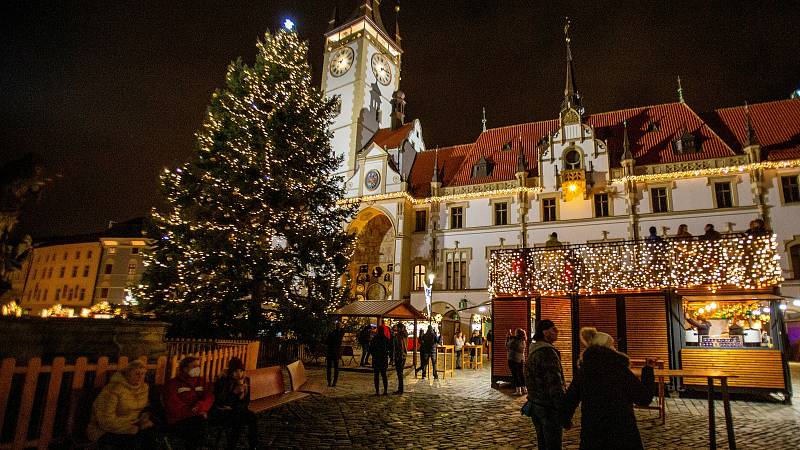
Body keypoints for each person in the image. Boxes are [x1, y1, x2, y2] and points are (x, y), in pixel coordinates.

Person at [562, 327, 656, 450]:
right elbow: (643, 398)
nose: (614, 349)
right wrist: (648, 370)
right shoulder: (619, 369)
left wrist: (565, 420)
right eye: (612, 345)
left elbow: (570, 399)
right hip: (623, 433)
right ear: (606, 348)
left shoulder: (585, 371)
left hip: (593, 434)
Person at [87, 360, 161, 449]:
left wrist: (144, 420)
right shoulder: (113, 389)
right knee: (134, 442)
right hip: (104, 430)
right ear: (128, 375)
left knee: (153, 436)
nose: (140, 377)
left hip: (133, 426)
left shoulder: (143, 389)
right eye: (137, 374)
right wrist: (128, 428)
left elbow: (143, 409)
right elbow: (105, 420)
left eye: (143, 374)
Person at [524, 320, 565, 450]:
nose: (557, 332)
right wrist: (562, 407)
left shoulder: (534, 350)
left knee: (543, 443)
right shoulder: (547, 352)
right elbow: (554, 382)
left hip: (536, 404)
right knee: (553, 444)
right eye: (554, 329)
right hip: (548, 406)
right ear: (545, 332)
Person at [163, 356, 213, 449]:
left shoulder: (201, 381)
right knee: (198, 426)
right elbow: (174, 406)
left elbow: (209, 397)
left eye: (198, 366)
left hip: (199, 416)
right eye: (194, 366)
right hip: (179, 419)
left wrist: (199, 406)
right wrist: (195, 412)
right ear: (185, 369)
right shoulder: (172, 384)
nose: (197, 369)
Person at [211, 357, 257, 450]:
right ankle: (231, 446)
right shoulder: (223, 380)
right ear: (231, 371)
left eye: (241, 371)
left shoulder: (245, 380)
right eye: (236, 371)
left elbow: (246, 401)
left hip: (236, 409)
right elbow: (220, 401)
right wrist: (234, 393)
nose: (239, 374)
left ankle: (253, 445)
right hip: (222, 412)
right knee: (237, 419)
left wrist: (236, 406)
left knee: (252, 417)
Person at [369, 321, 392, 395]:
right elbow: (390, 348)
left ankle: (377, 391)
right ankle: (385, 391)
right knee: (384, 375)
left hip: (376, 358)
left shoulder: (374, 339)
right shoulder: (386, 339)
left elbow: (371, 349)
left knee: (376, 375)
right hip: (383, 358)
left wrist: (374, 355)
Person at [506, 328, 527, 395]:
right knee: (521, 374)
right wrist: (511, 337)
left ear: (517, 334)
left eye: (515, 332)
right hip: (521, 359)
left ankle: (518, 391)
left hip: (513, 358)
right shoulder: (523, 340)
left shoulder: (515, 341)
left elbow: (507, 346)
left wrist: (507, 338)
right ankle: (524, 389)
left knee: (515, 375)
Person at [325, 321, 345, 387]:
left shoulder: (332, 333)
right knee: (336, 368)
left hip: (330, 352)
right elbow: (343, 330)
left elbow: (327, 341)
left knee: (329, 368)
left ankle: (329, 381)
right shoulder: (340, 334)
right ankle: (334, 382)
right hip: (336, 352)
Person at [392, 323, 408, 394]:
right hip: (403, 355)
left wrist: (396, 356)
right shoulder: (405, 335)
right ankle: (400, 389)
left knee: (399, 373)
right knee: (400, 373)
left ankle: (400, 389)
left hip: (400, 356)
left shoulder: (399, 336)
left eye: (397, 327)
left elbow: (400, 346)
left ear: (399, 328)